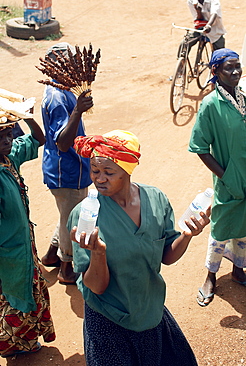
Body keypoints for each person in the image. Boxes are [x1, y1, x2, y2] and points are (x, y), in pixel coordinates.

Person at [67, 130, 210, 365]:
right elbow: (96, 287)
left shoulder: (156, 200)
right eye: (94, 170)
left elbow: (167, 255)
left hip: (147, 310)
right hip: (108, 320)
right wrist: (98, 253)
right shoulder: (85, 216)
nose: (99, 178)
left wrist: (187, 235)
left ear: (128, 170)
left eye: (108, 172)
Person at [189, 48, 246, 307]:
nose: (235, 72)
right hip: (229, 180)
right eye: (228, 68)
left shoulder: (243, 97)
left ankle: (238, 269)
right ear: (215, 72)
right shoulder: (211, 105)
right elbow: (200, 147)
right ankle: (210, 276)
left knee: (244, 224)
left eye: (238, 67)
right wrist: (226, 177)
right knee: (221, 227)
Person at [0, 116, 56, 358]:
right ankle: (13, 345)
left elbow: (37, 139)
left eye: (8, 135)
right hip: (7, 251)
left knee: (26, 288)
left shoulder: (9, 159)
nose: (7, 141)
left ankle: (27, 341)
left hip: (22, 246)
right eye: (0, 138)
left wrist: (27, 116)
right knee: (13, 294)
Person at [40, 42, 93, 285]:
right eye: (67, 62)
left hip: (71, 168)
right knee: (71, 218)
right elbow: (62, 142)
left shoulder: (62, 89)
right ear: (54, 67)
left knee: (67, 214)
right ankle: (66, 267)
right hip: (65, 171)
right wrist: (78, 112)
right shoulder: (58, 98)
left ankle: (52, 254)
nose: (73, 67)